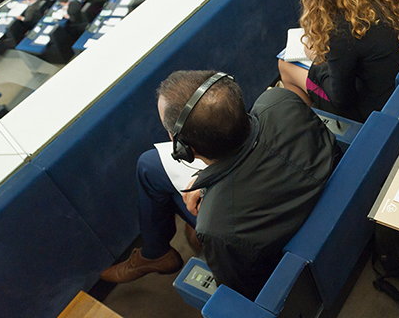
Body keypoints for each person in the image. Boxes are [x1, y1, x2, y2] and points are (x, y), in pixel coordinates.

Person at [100, 71, 339, 299]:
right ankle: (157, 252)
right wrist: (209, 182)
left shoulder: (216, 226)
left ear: (184, 150)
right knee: (150, 165)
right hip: (318, 195)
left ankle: (155, 253)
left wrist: (210, 195)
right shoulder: (279, 99)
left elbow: (242, 292)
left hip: (275, 248)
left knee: (151, 171)